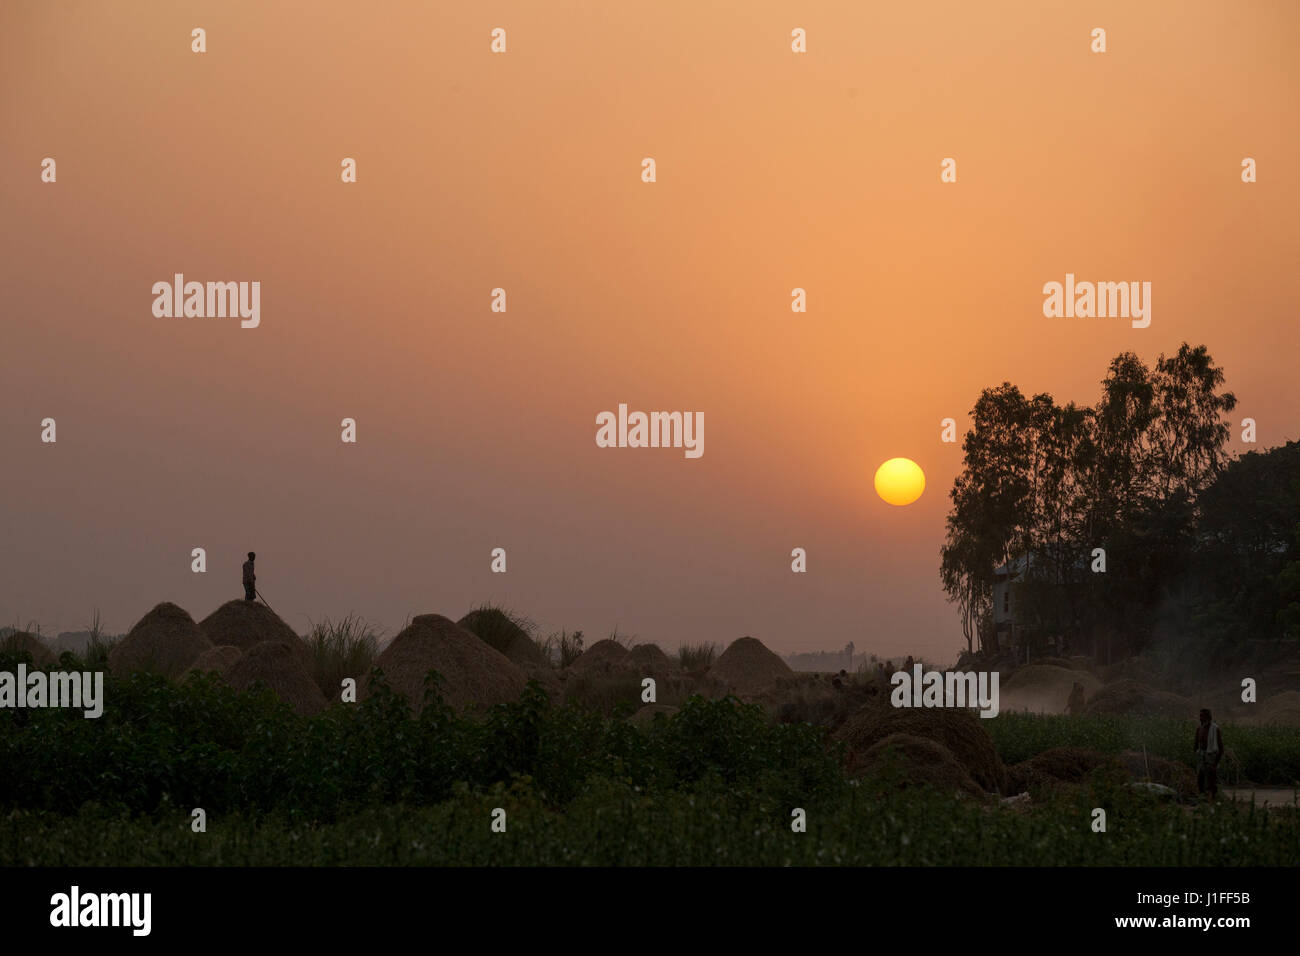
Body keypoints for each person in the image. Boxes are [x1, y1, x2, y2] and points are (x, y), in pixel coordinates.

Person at [1194, 708, 1223, 800]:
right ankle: (1202, 797)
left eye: (1202, 716)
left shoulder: (1215, 729)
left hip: (1211, 756)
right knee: (1200, 777)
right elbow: (1196, 744)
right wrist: (1197, 753)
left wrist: (1215, 763)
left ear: (1208, 717)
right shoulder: (1199, 728)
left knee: (1211, 778)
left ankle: (1213, 798)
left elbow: (1221, 747)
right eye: (1200, 716)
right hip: (1201, 755)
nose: (1200, 718)